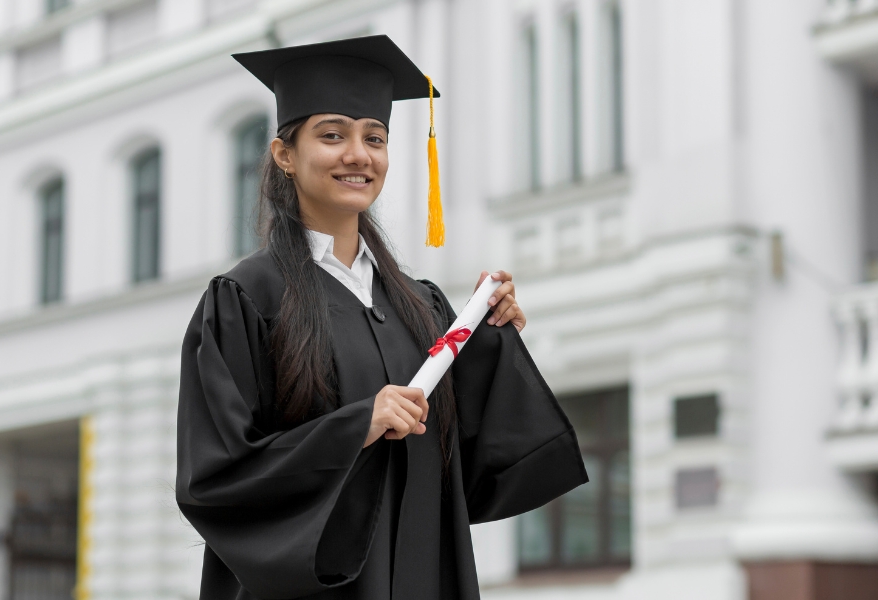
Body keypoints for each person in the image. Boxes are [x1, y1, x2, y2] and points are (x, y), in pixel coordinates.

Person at [175, 35, 588, 600]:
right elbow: (215, 478)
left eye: (375, 137)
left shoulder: (421, 304)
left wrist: (489, 337)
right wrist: (355, 426)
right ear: (284, 155)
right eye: (332, 135)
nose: (358, 155)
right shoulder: (245, 299)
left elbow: (476, 460)